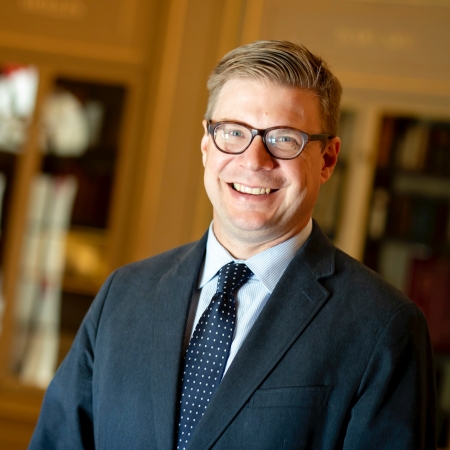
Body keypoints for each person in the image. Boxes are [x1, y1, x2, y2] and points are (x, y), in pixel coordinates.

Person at [29, 40, 436, 449]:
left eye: (283, 138)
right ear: (207, 144)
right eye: (234, 132)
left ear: (327, 159)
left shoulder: (383, 327)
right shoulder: (124, 294)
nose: (254, 160)